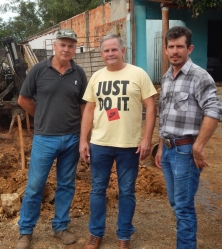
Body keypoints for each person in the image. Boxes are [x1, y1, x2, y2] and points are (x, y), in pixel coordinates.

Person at [79, 34, 157, 249]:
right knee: (97, 189)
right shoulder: (96, 77)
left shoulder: (138, 74)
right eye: (106, 50)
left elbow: (150, 106)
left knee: (127, 191)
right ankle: (96, 233)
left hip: (130, 145)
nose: (110, 54)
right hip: (100, 143)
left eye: (114, 49)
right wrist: (83, 140)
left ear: (123, 51)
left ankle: (124, 235)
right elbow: (88, 110)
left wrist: (146, 139)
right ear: (101, 54)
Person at [15, 28, 87, 249]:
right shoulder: (38, 70)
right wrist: (43, 115)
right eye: (62, 44)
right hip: (45, 139)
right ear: (54, 46)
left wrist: (85, 136)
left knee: (66, 184)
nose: (66, 49)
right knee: (35, 185)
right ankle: (26, 231)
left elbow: (85, 106)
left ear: (75, 49)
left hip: (72, 138)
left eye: (71, 45)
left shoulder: (79, 74)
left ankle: (61, 227)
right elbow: (23, 99)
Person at [155, 26, 222, 249]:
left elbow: (214, 111)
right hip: (168, 150)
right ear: (165, 49)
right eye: (171, 47)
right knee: (176, 202)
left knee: (183, 207)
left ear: (189, 48)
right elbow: (164, 114)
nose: (175, 51)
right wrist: (161, 147)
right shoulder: (166, 78)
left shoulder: (200, 77)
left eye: (180, 47)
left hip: (185, 151)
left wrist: (199, 146)